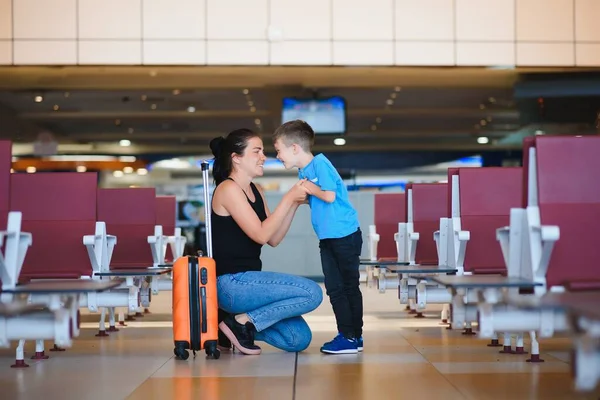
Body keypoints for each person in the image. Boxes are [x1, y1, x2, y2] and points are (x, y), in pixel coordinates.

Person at [209, 128, 323, 355]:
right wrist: (288, 197)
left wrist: (294, 204)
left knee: (298, 339)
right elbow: (261, 234)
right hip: (231, 283)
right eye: (257, 151)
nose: (264, 157)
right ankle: (239, 323)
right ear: (236, 158)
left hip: (250, 284)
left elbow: (273, 238)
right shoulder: (228, 188)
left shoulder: (256, 190)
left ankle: (230, 325)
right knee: (312, 292)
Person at [272, 120, 364, 355]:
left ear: (294, 148)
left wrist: (308, 190)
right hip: (329, 238)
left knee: (347, 287)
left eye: (279, 150)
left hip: (344, 235)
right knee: (335, 288)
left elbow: (330, 196)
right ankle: (349, 335)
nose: (277, 155)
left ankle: (352, 337)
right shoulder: (305, 171)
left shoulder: (320, 163)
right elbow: (314, 197)